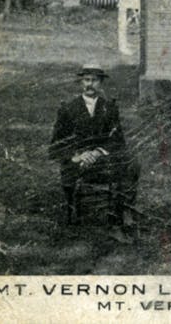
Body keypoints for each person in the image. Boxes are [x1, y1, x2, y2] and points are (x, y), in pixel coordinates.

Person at [50, 63, 140, 241]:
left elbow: (118, 140)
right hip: (77, 162)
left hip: (102, 160)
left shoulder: (109, 107)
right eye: (86, 80)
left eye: (95, 80)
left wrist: (98, 152)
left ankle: (119, 218)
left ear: (101, 84)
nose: (90, 84)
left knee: (132, 164)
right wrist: (78, 156)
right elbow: (56, 145)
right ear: (81, 82)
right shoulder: (68, 108)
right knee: (70, 171)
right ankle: (72, 217)